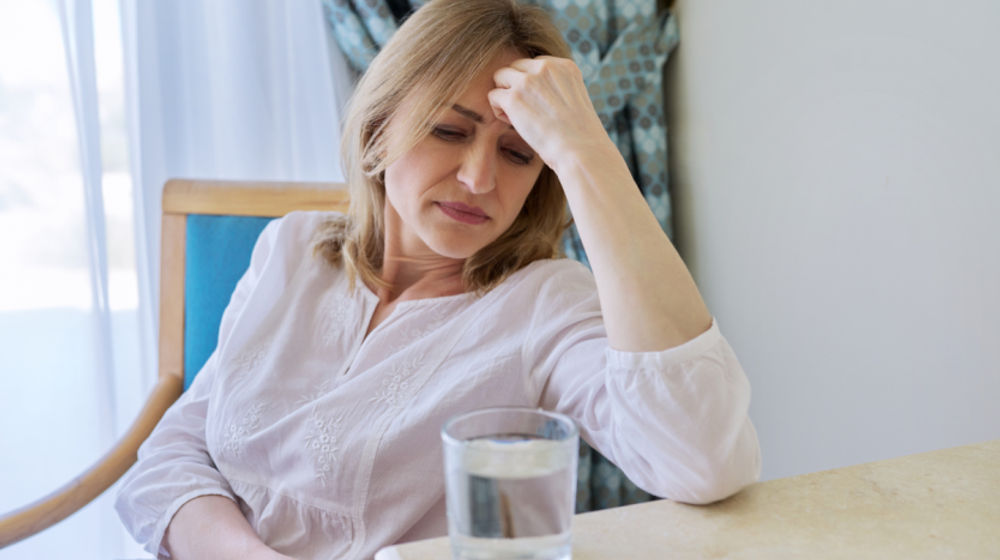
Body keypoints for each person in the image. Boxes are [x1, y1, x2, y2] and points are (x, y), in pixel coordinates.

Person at [115, 0, 761, 558]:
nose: (481, 179)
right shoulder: (293, 247)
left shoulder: (543, 304)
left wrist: (586, 151)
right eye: (449, 130)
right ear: (378, 127)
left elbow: (701, 456)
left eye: (519, 153)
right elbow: (167, 459)